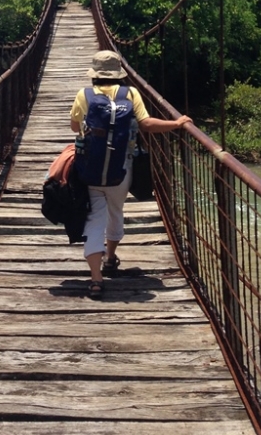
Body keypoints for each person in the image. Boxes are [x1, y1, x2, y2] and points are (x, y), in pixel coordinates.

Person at [70, 49, 192, 299]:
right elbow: (146, 124)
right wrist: (176, 124)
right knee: (116, 213)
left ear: (94, 74)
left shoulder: (84, 94)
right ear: (119, 73)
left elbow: (74, 126)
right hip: (121, 169)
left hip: (90, 170)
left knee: (94, 219)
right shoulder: (131, 93)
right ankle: (111, 257)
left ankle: (95, 279)